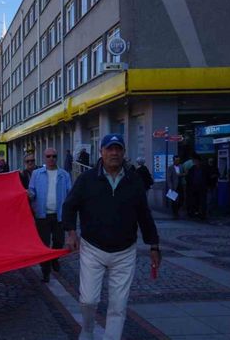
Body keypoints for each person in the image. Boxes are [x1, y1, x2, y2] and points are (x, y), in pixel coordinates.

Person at [63, 134, 160, 340]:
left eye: (118, 149)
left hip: (125, 251)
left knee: (118, 304)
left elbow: (144, 214)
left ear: (124, 152)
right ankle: (87, 329)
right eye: (110, 149)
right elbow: (69, 206)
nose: (114, 153)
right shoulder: (86, 179)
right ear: (102, 152)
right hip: (93, 248)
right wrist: (71, 232)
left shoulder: (134, 180)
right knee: (88, 299)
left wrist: (154, 245)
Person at [29, 148, 72, 283]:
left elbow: (70, 193)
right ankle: (45, 271)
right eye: (48, 156)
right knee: (44, 244)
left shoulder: (64, 175)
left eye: (54, 156)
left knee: (59, 241)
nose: (51, 158)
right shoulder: (37, 174)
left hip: (59, 215)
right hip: (42, 215)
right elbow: (32, 190)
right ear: (44, 158)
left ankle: (55, 258)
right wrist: (29, 195)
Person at [186, 154, 208, 219]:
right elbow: (189, 178)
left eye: (195, 161)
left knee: (202, 201)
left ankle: (202, 213)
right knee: (195, 201)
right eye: (194, 161)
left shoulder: (204, 168)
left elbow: (207, 177)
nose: (195, 162)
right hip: (194, 188)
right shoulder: (192, 169)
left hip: (202, 187)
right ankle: (196, 212)